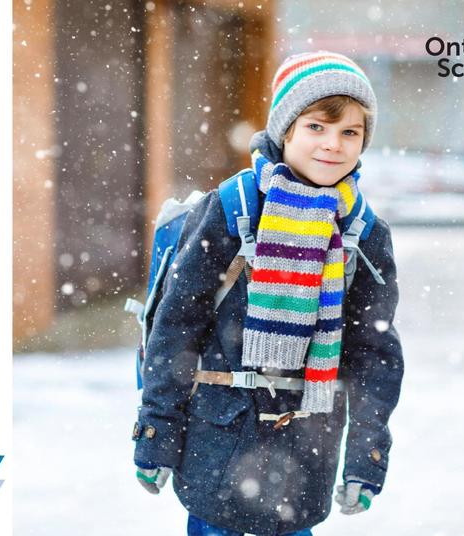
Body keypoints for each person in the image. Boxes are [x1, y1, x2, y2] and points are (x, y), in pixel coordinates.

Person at [131, 51, 404, 536]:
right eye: (317, 127)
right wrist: (156, 433)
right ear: (286, 130)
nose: (333, 145)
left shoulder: (364, 233)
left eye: (350, 133)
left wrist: (366, 456)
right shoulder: (232, 208)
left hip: (305, 455)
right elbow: (177, 325)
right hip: (217, 447)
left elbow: (373, 355)